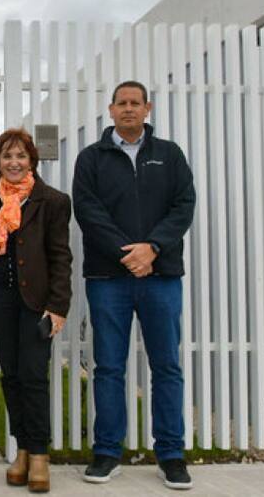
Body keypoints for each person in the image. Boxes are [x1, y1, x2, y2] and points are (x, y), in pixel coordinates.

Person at [73, 81, 196, 491]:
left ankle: (172, 455)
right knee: (108, 367)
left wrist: (154, 248)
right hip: (109, 278)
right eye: (121, 103)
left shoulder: (169, 155)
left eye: (135, 103)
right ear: (110, 110)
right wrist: (130, 253)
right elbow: (88, 210)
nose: (128, 109)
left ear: (147, 108)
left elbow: (184, 205)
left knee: (167, 367)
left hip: (160, 277)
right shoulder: (91, 159)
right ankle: (107, 452)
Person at [0, 128, 73, 493]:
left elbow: (60, 256)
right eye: (7, 156)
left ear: (31, 160)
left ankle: (40, 456)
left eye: (20, 156)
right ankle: (21, 450)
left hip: (36, 302)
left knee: (34, 377)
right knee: (12, 376)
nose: (13, 162)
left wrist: (58, 304)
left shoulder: (52, 200)